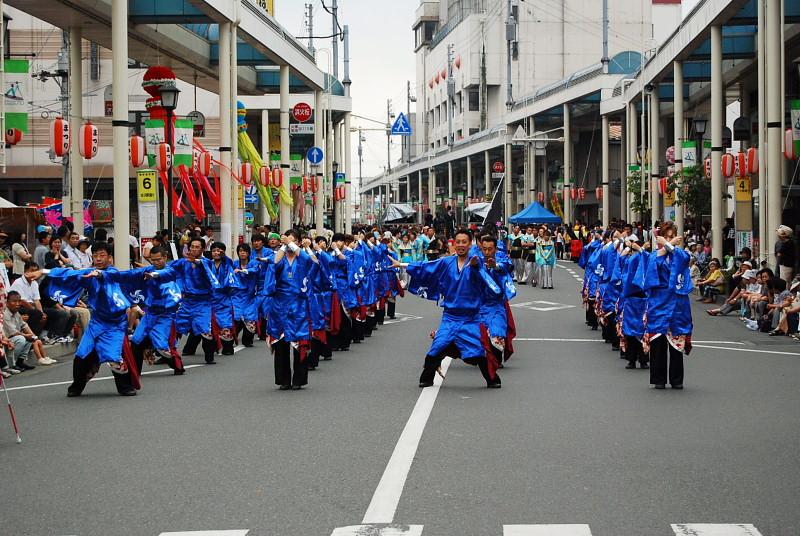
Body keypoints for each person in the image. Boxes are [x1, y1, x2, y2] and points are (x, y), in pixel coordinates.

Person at [390, 229, 503, 388]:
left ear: (470, 244)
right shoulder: (446, 262)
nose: (461, 245)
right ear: (454, 244)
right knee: (438, 346)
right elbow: (426, 266)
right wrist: (401, 264)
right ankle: (427, 378)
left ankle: (492, 380)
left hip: (471, 318)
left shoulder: (477, 263)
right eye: (458, 242)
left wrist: (479, 268)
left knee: (478, 352)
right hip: (450, 317)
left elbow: (489, 279)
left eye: (465, 242)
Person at [45, 242, 141, 397]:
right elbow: (71, 274)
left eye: (102, 255)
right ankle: (76, 386)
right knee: (82, 354)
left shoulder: (114, 273)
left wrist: (100, 274)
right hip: (97, 322)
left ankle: (125, 386)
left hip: (116, 324)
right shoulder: (89, 273)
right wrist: (44, 271)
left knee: (114, 356)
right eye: (95, 255)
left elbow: (110, 277)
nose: (98, 258)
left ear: (110, 257)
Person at [153, 237, 220, 364]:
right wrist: (152, 269)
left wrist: (197, 261)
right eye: (192, 247)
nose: (194, 249)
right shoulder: (183, 262)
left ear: (203, 249)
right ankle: (166, 354)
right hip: (186, 302)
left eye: (197, 247)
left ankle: (209, 357)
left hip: (202, 303)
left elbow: (206, 269)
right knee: (173, 326)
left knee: (205, 329)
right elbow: (167, 268)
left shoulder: (208, 263)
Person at [643, 222, 694, 390]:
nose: (671, 239)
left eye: (673, 236)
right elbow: (650, 273)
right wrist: (666, 246)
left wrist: (670, 246)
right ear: (660, 237)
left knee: (676, 342)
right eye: (667, 236)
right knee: (658, 342)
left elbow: (684, 260)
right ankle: (659, 379)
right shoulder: (655, 255)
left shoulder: (681, 254)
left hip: (678, 303)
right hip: (659, 301)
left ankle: (676, 379)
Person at [268, 231, 319, 390]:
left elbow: (313, 262)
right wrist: (283, 246)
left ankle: (299, 380)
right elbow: (273, 264)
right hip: (280, 306)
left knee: (300, 344)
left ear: (297, 242)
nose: (289, 244)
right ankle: (283, 380)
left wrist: (291, 244)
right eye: (287, 240)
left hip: (299, 306)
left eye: (293, 240)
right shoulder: (280, 257)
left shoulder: (302, 259)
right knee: (281, 345)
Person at [476, 234, 516, 370]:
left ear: (495, 249)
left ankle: (497, 360)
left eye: (490, 249)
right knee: (473, 332)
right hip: (479, 304)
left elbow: (508, 267)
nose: (487, 252)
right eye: (484, 249)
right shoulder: (476, 260)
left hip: (496, 304)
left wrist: (496, 266)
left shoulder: (502, 259)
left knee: (497, 331)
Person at [232, 243, 261, 348]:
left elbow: (256, 270)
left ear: (248, 253)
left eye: (244, 251)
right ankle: (230, 339)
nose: (242, 253)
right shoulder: (235, 263)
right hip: (236, 295)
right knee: (236, 317)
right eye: (240, 251)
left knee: (250, 317)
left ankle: (248, 340)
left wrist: (243, 271)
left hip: (249, 296)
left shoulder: (253, 263)